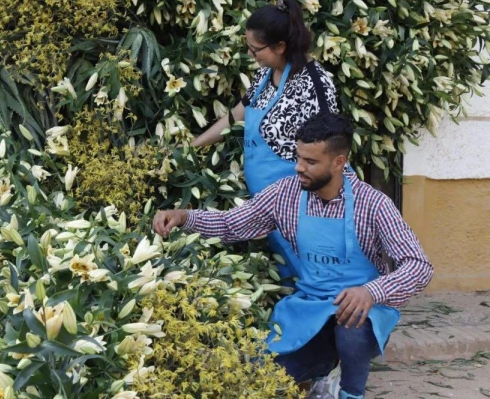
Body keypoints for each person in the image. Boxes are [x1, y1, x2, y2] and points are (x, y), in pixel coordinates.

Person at [154, 113, 434, 399]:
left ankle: (350, 391)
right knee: (265, 375)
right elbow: (232, 224)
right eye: (298, 158)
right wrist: (184, 216)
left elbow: (419, 266)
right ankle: (325, 367)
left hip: (363, 314)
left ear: (339, 162)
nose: (299, 167)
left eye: (310, 162)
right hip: (310, 309)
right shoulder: (285, 194)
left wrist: (371, 292)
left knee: (351, 329)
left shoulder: (373, 204)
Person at [192, 0, 338, 282]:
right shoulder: (265, 74)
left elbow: (330, 151)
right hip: (267, 205)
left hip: (300, 207)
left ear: (280, 46)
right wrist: (193, 146)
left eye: (255, 48)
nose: (251, 54)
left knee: (318, 278)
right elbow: (238, 114)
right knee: (292, 277)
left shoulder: (315, 85)